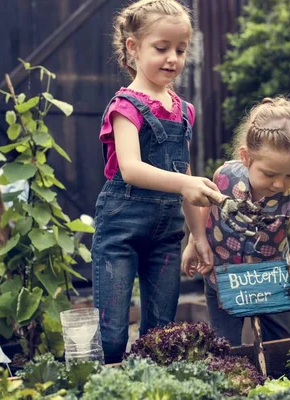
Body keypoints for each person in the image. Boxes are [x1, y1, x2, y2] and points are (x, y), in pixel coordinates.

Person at [93, 0, 221, 364]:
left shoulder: (184, 111)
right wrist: (184, 184)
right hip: (121, 227)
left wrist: (197, 237)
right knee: (113, 332)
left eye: (180, 50)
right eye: (161, 48)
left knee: (160, 333)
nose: (173, 59)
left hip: (167, 235)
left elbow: (185, 174)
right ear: (133, 48)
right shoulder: (126, 106)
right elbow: (131, 168)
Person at [182, 96, 290, 355]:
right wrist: (194, 242)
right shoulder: (224, 176)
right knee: (225, 352)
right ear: (246, 157)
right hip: (222, 282)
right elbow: (208, 210)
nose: (280, 184)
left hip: (270, 286)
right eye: (269, 174)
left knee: (284, 351)